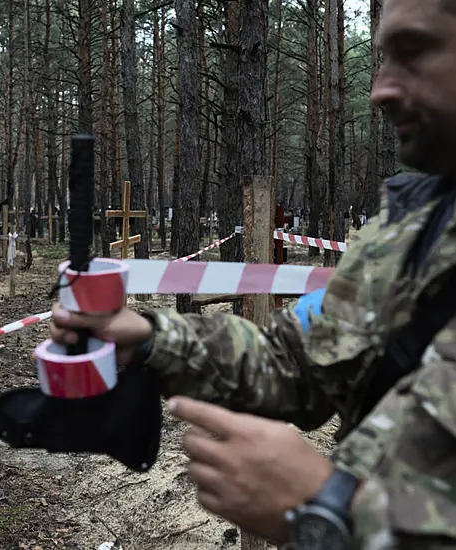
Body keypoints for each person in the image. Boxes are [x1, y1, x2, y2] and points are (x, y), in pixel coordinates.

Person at [50, 0, 456, 548]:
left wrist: (335, 511)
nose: (379, 90)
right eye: (381, 60)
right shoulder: (413, 223)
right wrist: (149, 340)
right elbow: (297, 363)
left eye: (412, 52)